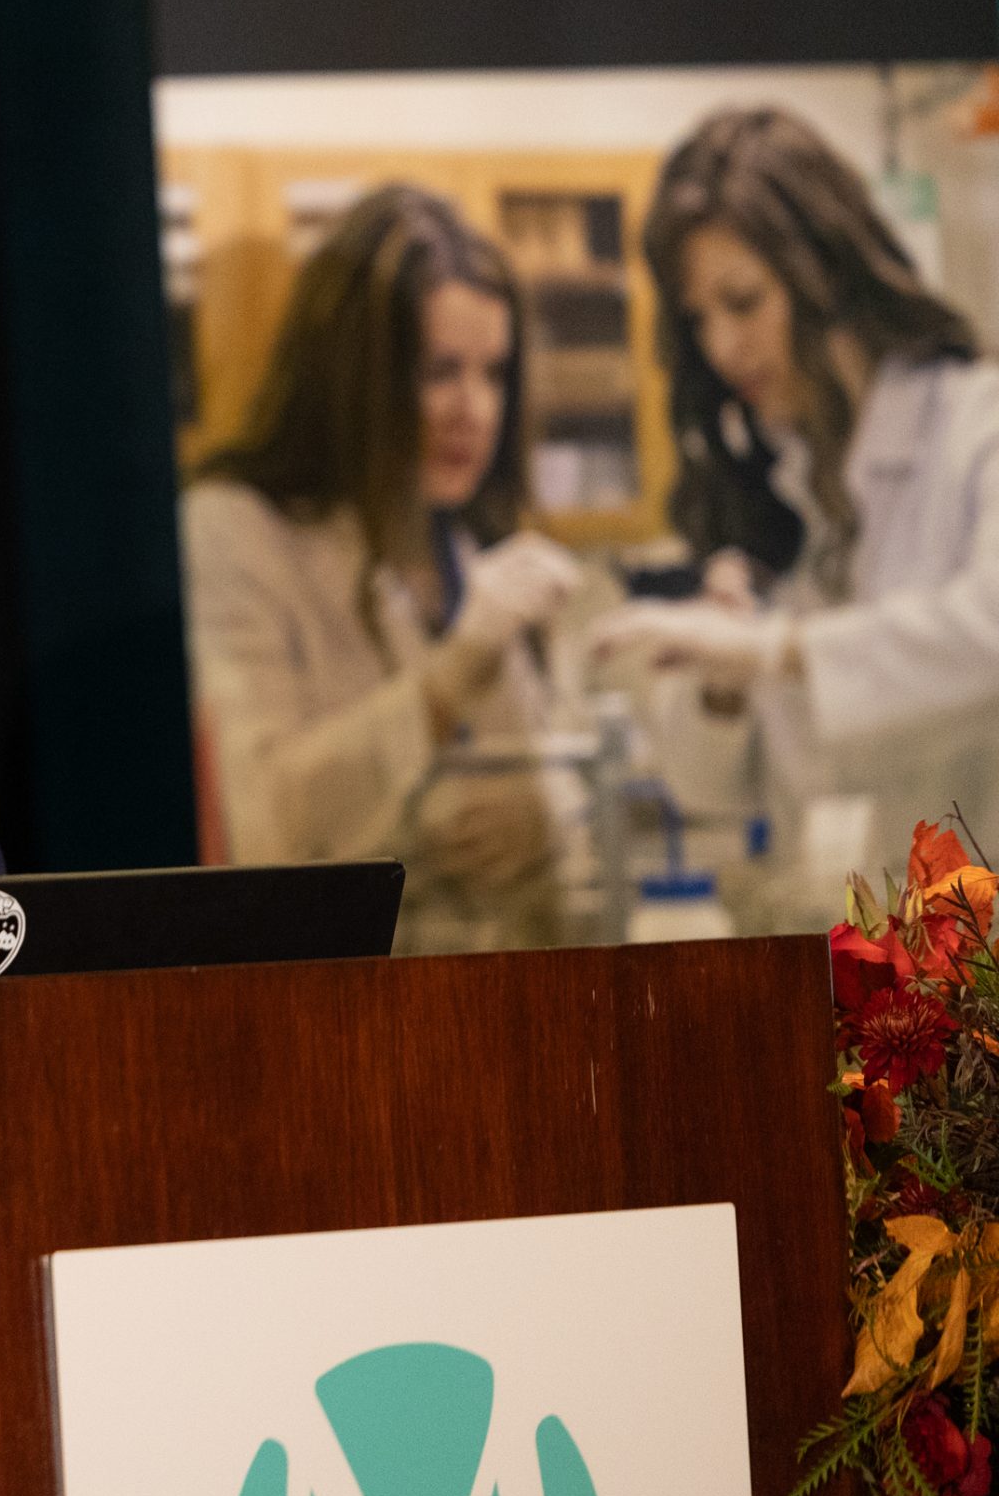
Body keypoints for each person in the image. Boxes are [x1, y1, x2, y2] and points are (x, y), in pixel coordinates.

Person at [591, 106, 999, 907]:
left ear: (830, 274)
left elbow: (986, 633)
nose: (722, 348)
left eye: (743, 302)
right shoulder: (788, 491)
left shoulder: (976, 425)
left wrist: (776, 649)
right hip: (881, 965)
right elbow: (720, 790)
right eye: (699, 318)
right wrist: (723, 684)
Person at [183, 184, 587, 953]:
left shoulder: (467, 543)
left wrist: (548, 818)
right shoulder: (236, 528)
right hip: (336, 1015)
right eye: (440, 371)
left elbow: (573, 769)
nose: (473, 409)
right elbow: (260, 826)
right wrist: (444, 681)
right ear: (354, 372)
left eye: (493, 373)